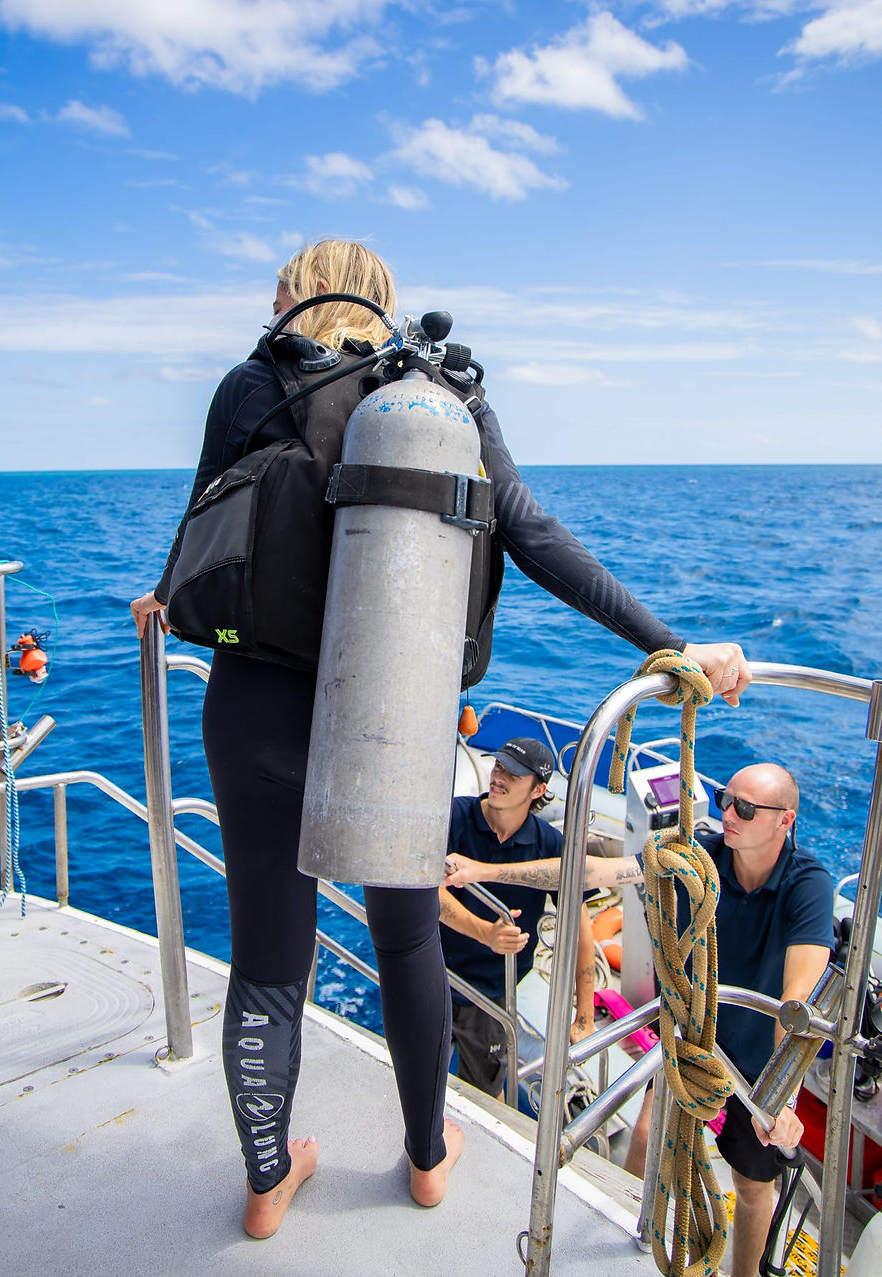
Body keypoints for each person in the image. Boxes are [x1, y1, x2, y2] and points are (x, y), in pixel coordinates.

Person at [130, 236, 750, 1240]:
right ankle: (424, 1159)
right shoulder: (436, 391)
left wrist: (159, 599)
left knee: (268, 956)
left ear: (295, 296)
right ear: (387, 305)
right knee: (408, 937)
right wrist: (667, 643)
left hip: (253, 705)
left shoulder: (250, 384)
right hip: (394, 710)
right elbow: (533, 534)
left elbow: (201, 525)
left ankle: (265, 1181)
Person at [444, 761, 834, 1277]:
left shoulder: (807, 885)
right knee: (649, 1138)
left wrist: (782, 1095)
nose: (727, 815)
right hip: (693, 1038)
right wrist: (484, 872)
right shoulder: (700, 855)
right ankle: (629, 1244)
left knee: (751, 1187)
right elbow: (588, 873)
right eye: (723, 799)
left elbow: (795, 1002)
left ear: (785, 821)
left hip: (759, 1065)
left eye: (744, 808)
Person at [438, 737, 596, 1098]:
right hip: (433, 974)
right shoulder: (453, 817)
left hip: (494, 994)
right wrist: (485, 932)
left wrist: (584, 1014)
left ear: (539, 789)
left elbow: (579, 927)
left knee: (484, 1095)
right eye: (498, 767)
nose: (498, 778)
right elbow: (427, 892)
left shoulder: (550, 846)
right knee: (410, 1081)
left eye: (513, 774)